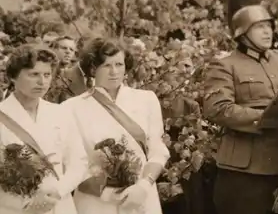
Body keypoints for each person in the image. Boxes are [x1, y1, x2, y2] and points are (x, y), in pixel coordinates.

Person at [203, 5, 278, 214]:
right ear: (242, 33)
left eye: (269, 26)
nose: (267, 32)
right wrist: (265, 117)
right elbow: (217, 108)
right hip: (245, 172)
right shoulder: (225, 65)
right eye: (259, 27)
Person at [62, 38, 170, 214]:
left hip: (141, 197)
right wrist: (108, 193)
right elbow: (72, 164)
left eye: (119, 64)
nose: (114, 72)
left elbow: (157, 150)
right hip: (95, 203)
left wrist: (144, 185)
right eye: (106, 65)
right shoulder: (71, 108)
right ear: (92, 69)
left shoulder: (146, 100)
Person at [0, 44, 88, 214]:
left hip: (59, 204)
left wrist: (57, 191)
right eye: (34, 74)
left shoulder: (60, 112)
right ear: (13, 77)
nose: (42, 82)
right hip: (15, 208)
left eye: (47, 75)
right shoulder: (3, 114)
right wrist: (26, 203)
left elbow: (79, 162)